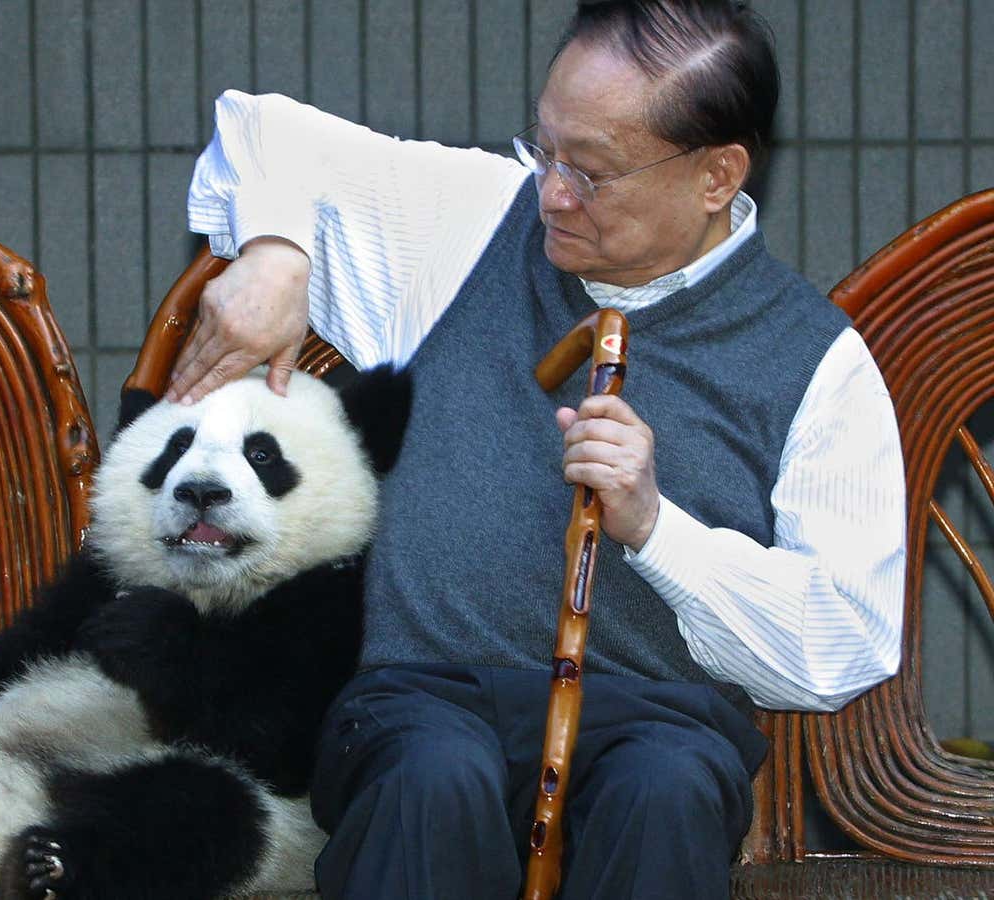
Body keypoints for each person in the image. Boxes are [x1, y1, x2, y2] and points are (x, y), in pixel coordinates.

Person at [170, 1, 906, 898]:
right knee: (429, 778)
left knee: (666, 791)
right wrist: (278, 254)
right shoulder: (475, 220)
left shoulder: (815, 361)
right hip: (421, 700)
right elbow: (258, 128)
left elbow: (845, 645)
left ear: (718, 175)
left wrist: (657, 530)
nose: (553, 192)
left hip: (660, 723)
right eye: (545, 148)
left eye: (593, 172)